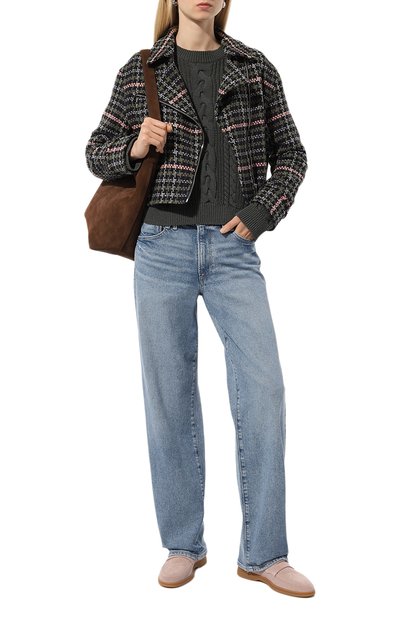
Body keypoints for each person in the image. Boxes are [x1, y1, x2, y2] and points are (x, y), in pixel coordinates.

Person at [85, 0, 315, 598]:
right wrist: (134, 147)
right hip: (160, 247)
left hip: (234, 249)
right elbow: (95, 151)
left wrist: (261, 212)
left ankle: (265, 554)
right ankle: (183, 545)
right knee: (169, 395)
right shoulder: (142, 68)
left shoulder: (255, 67)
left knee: (264, 390)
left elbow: (293, 157)